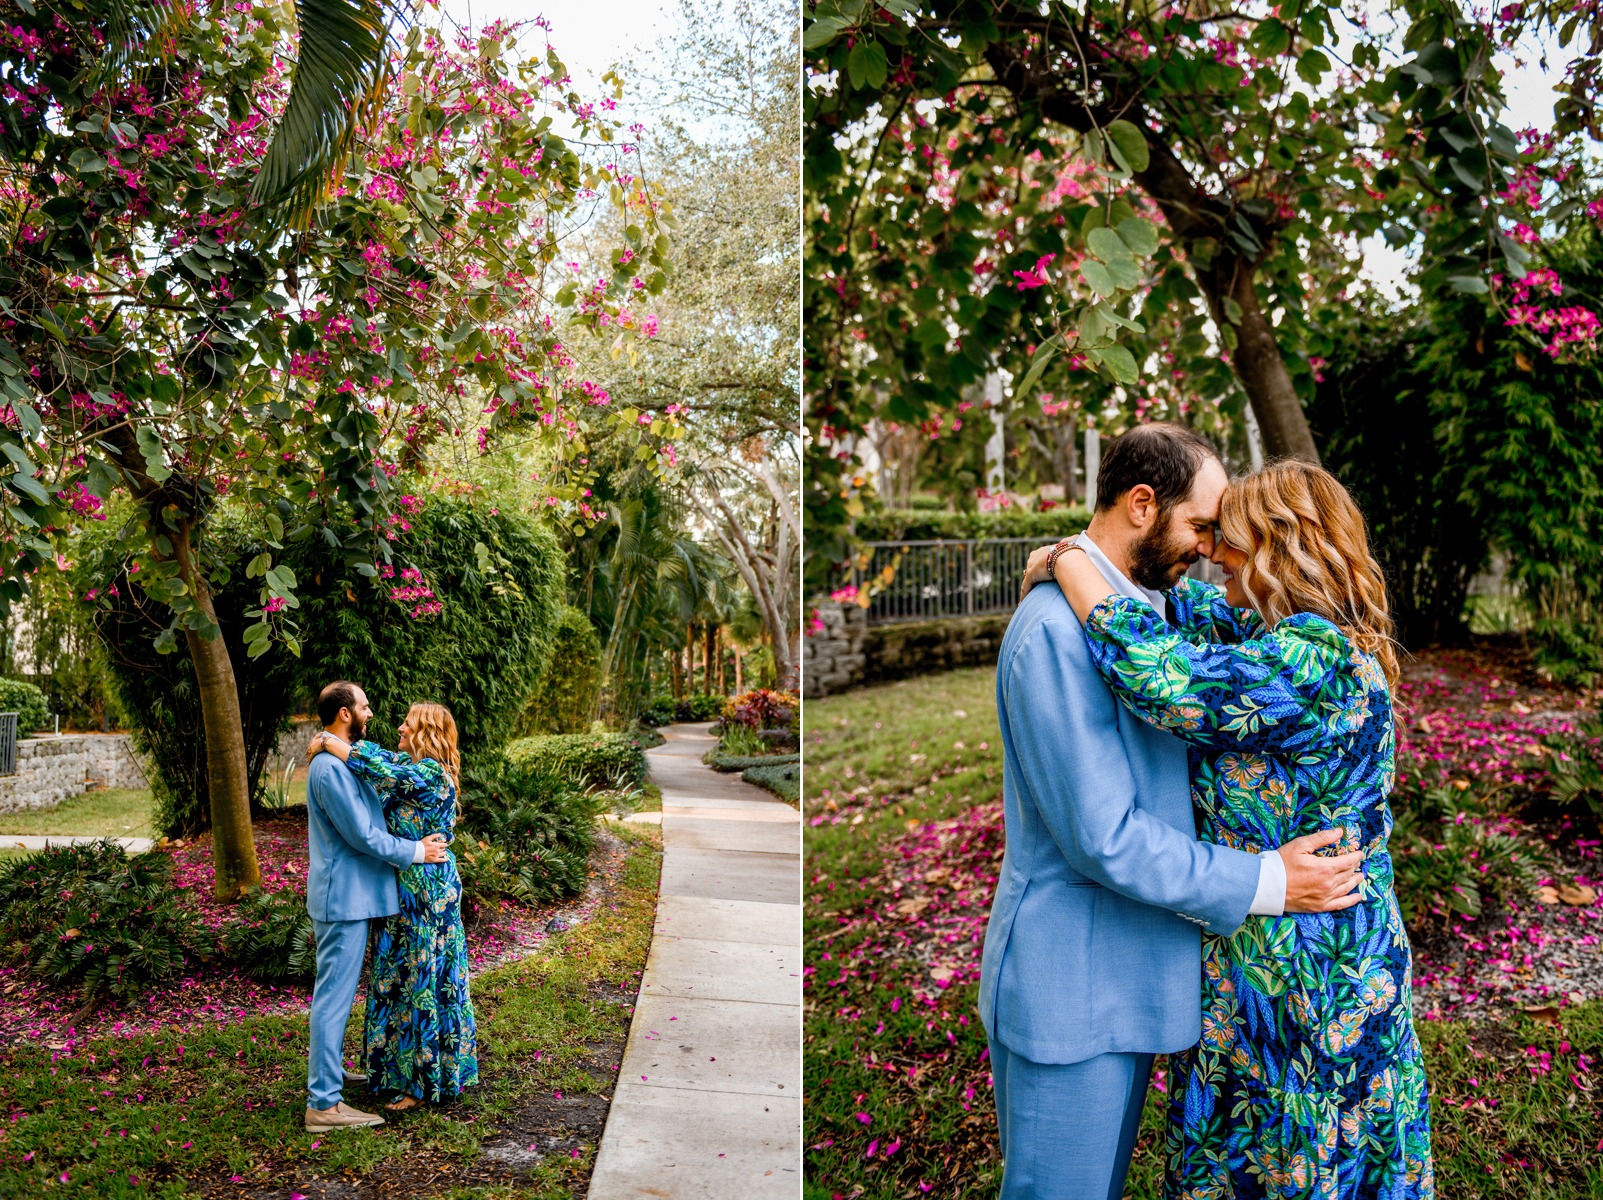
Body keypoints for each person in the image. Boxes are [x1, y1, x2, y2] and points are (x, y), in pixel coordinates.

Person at [1022, 457, 1433, 1197]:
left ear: (1276, 546)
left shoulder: (1318, 657)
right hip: (1259, 953)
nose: (1210, 552)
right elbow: (1158, 605)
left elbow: (1161, 677)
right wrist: (1086, 556)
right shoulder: (1266, 632)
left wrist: (1064, 559)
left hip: (1313, 968)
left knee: (1300, 1161)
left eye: (1226, 538)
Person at [308, 701, 479, 1111]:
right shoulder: (408, 767)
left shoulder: (429, 773)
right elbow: (383, 764)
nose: (399, 727)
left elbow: (382, 768)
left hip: (426, 890)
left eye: (408, 723)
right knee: (395, 978)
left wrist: (329, 742)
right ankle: (392, 1069)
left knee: (420, 981)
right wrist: (331, 745)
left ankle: (421, 1083)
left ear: (425, 733)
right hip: (400, 888)